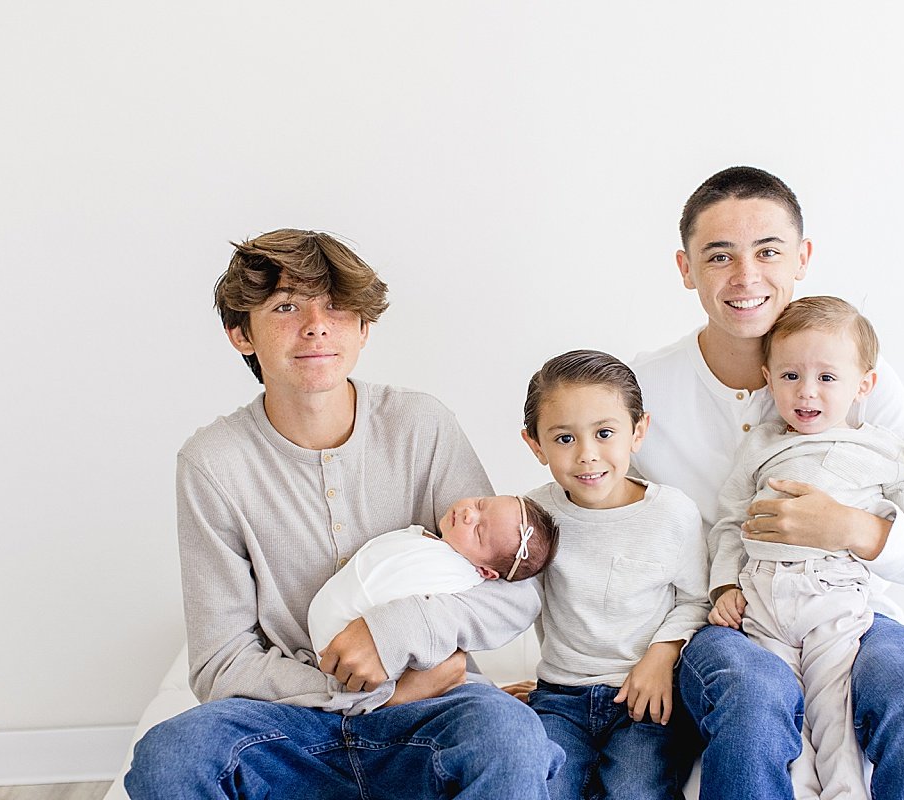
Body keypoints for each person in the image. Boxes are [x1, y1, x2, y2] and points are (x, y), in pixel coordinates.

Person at [125, 229, 563, 799]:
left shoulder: (421, 425)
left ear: (363, 328)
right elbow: (220, 663)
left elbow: (513, 590)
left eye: (336, 306)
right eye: (285, 307)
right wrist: (364, 692)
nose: (316, 326)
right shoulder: (212, 463)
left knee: (512, 740)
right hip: (290, 726)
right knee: (168, 757)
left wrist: (396, 634)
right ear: (241, 334)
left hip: (432, 707)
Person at [630, 167, 904, 800]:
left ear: (803, 258)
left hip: (855, 613)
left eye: (768, 252)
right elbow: (608, 531)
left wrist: (850, 529)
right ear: (686, 268)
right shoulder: (644, 391)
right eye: (718, 255)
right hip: (731, 625)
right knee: (757, 694)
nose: (745, 276)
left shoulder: (858, 373)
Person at [708, 296, 904, 799]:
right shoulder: (762, 443)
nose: (807, 391)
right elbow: (731, 521)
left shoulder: (881, 450)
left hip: (833, 597)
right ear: (768, 378)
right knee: (779, 710)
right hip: (762, 598)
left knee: (833, 709)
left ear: (864, 385)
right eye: (790, 376)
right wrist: (725, 584)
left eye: (827, 378)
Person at [518, 349, 710, 800]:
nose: (587, 455)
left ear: (638, 431)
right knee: (542, 788)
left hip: (645, 698)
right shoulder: (534, 515)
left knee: (635, 791)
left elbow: (696, 599)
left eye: (605, 433)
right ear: (535, 445)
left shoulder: (671, 513)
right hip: (559, 696)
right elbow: (507, 596)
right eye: (564, 438)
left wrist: (661, 657)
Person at [307, 494, 559, 715]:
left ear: (486, 572)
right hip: (339, 647)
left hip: (343, 653)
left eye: (479, 532)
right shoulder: (427, 541)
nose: (469, 513)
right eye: (481, 503)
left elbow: (520, 599)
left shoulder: (459, 575)